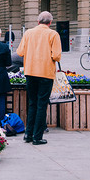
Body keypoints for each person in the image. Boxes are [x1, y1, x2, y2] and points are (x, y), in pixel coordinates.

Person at [17, 11, 61, 145]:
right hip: (45, 73)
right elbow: (57, 56)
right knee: (42, 105)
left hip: (30, 72)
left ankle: (28, 134)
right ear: (50, 22)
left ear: (38, 21)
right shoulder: (53, 34)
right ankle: (37, 136)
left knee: (32, 103)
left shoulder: (28, 33)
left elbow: (20, 52)